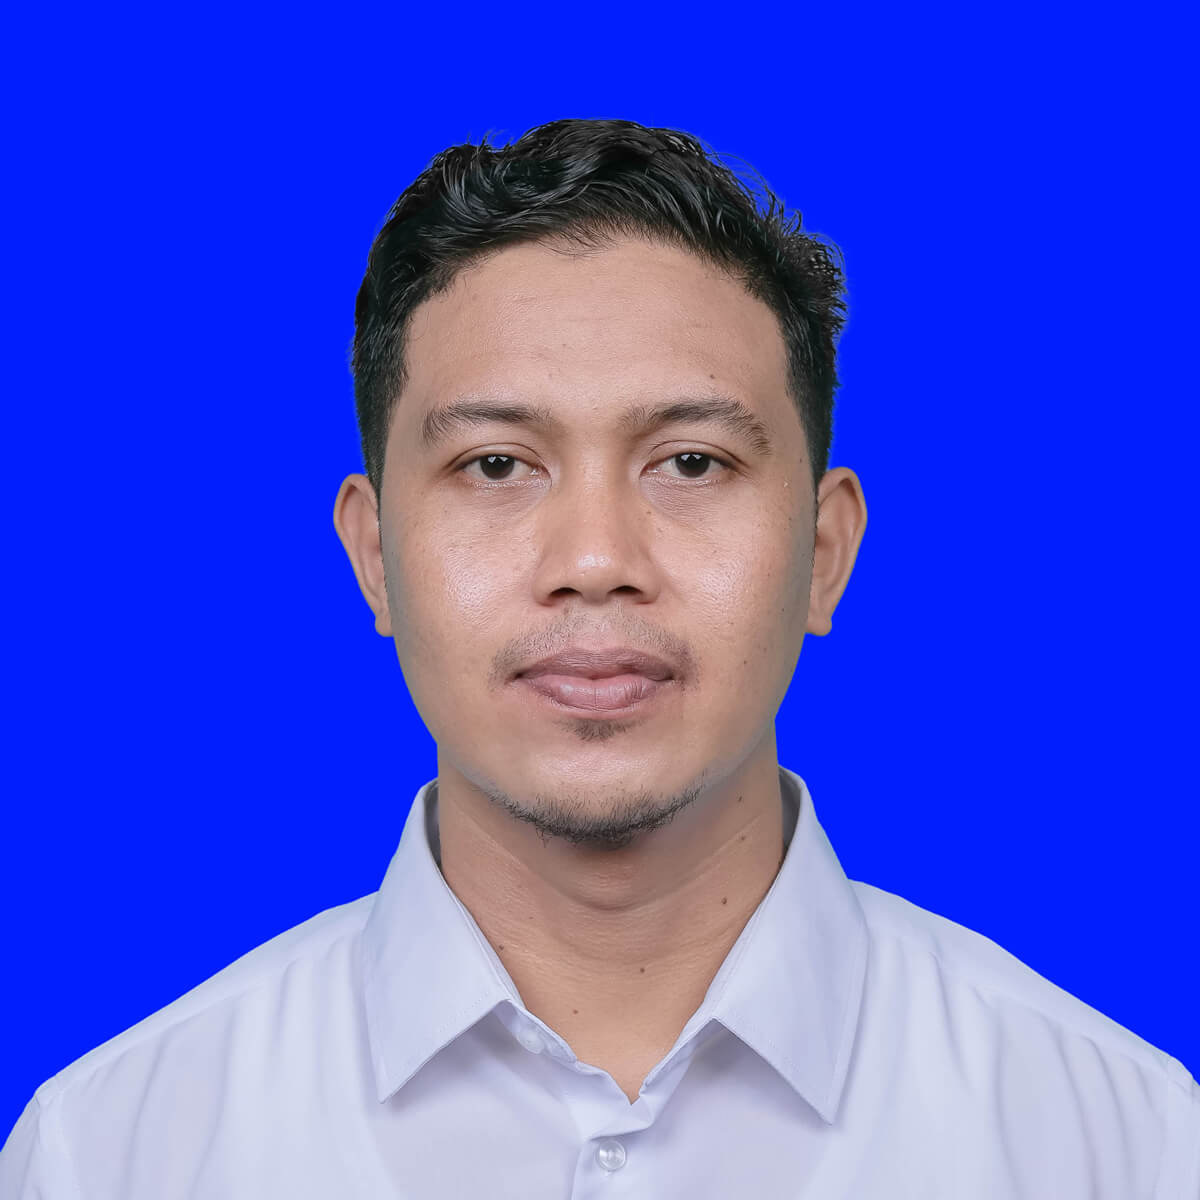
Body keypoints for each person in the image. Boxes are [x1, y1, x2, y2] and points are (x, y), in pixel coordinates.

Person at [2, 117, 1196, 1199]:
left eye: (691, 463)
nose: (593, 559)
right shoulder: (112, 1154)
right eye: (496, 465)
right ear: (374, 556)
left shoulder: (1121, 1146)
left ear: (824, 553)